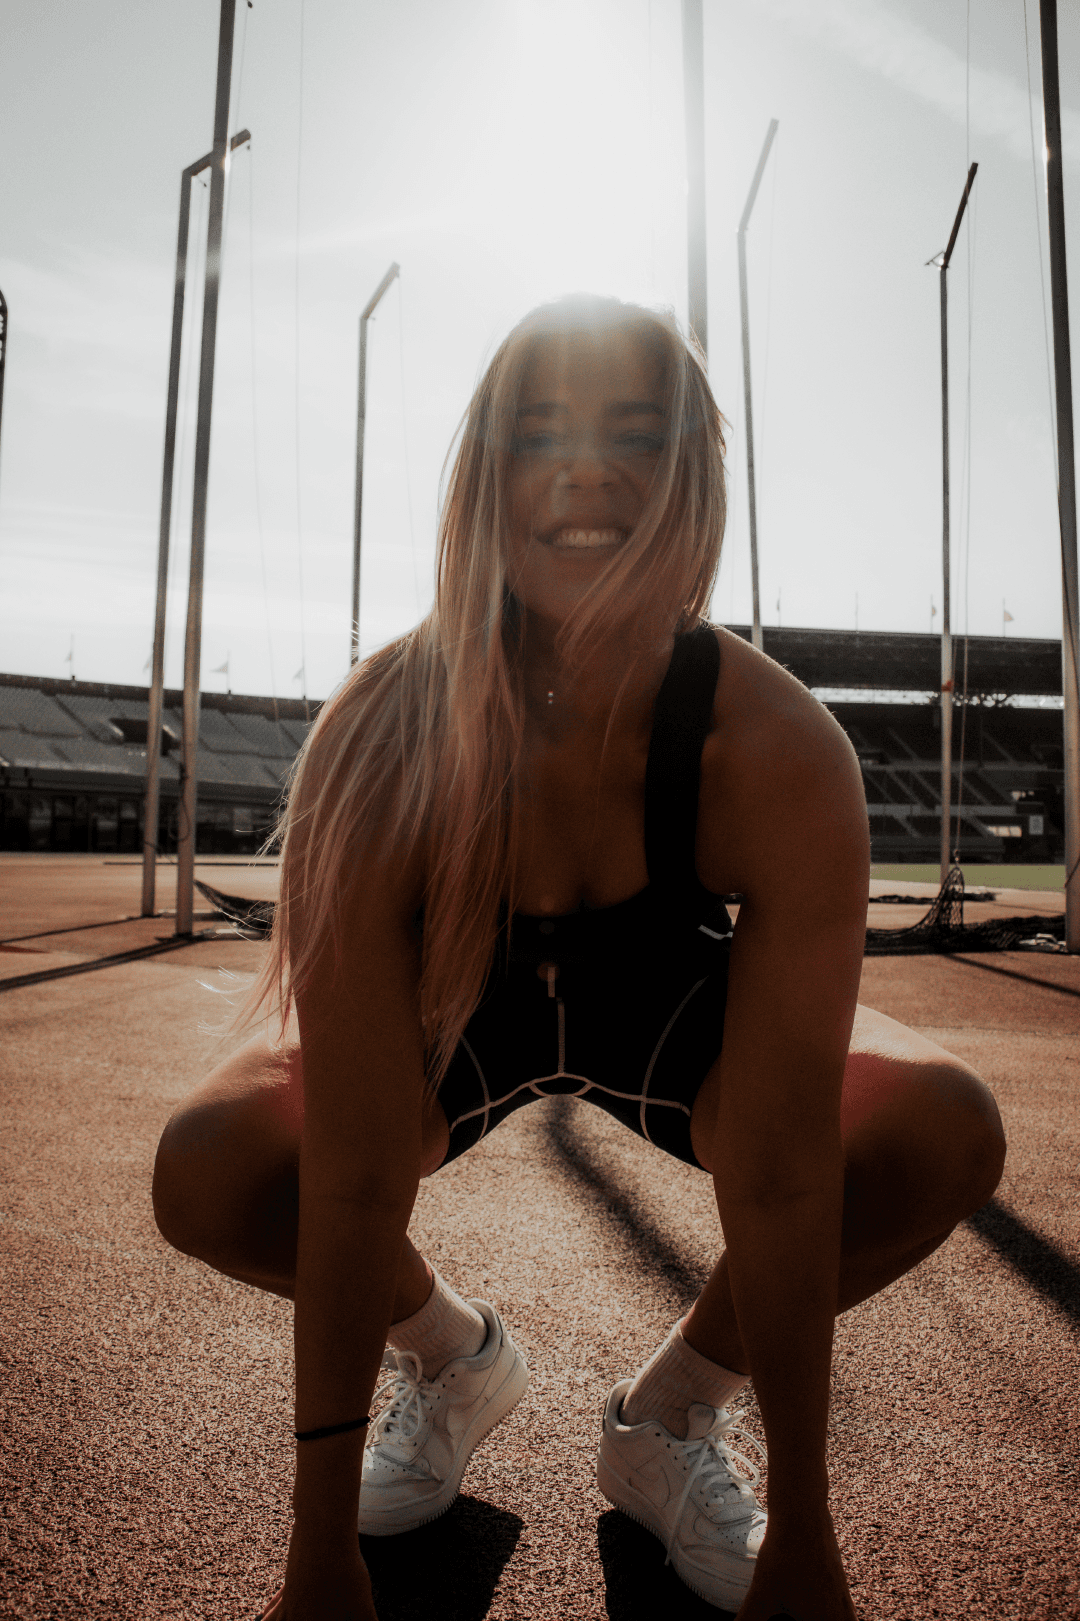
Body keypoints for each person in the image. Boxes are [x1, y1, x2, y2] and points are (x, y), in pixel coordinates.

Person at [152, 294, 1006, 1621]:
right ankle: (450, 1359)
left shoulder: (777, 751)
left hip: (670, 1005)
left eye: (636, 434)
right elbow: (357, 1171)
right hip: (458, 1011)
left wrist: (807, 1539)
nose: (586, 469)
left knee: (943, 1130)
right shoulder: (379, 738)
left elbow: (783, 1173)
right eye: (540, 433)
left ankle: (671, 1415)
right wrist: (318, 1553)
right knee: (211, 1173)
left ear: (695, 478)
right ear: (484, 479)